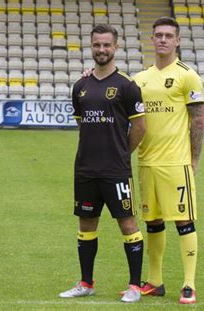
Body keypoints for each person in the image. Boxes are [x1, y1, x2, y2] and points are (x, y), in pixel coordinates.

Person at [58, 24, 146, 303]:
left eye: (107, 45)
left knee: (128, 224)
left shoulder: (127, 86)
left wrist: (121, 154)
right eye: (97, 45)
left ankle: (134, 286)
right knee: (86, 224)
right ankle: (86, 283)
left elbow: (141, 128)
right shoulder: (80, 86)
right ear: (91, 46)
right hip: (85, 169)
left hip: (116, 171)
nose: (102, 50)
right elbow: (83, 125)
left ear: (115, 47)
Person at [133, 17, 204, 305]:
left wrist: (194, 159)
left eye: (168, 35)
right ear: (152, 40)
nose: (162, 39)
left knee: (184, 221)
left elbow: (197, 120)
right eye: (158, 35)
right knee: (153, 222)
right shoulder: (140, 79)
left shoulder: (188, 75)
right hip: (147, 163)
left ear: (177, 41)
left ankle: (189, 284)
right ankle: (155, 281)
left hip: (176, 163)